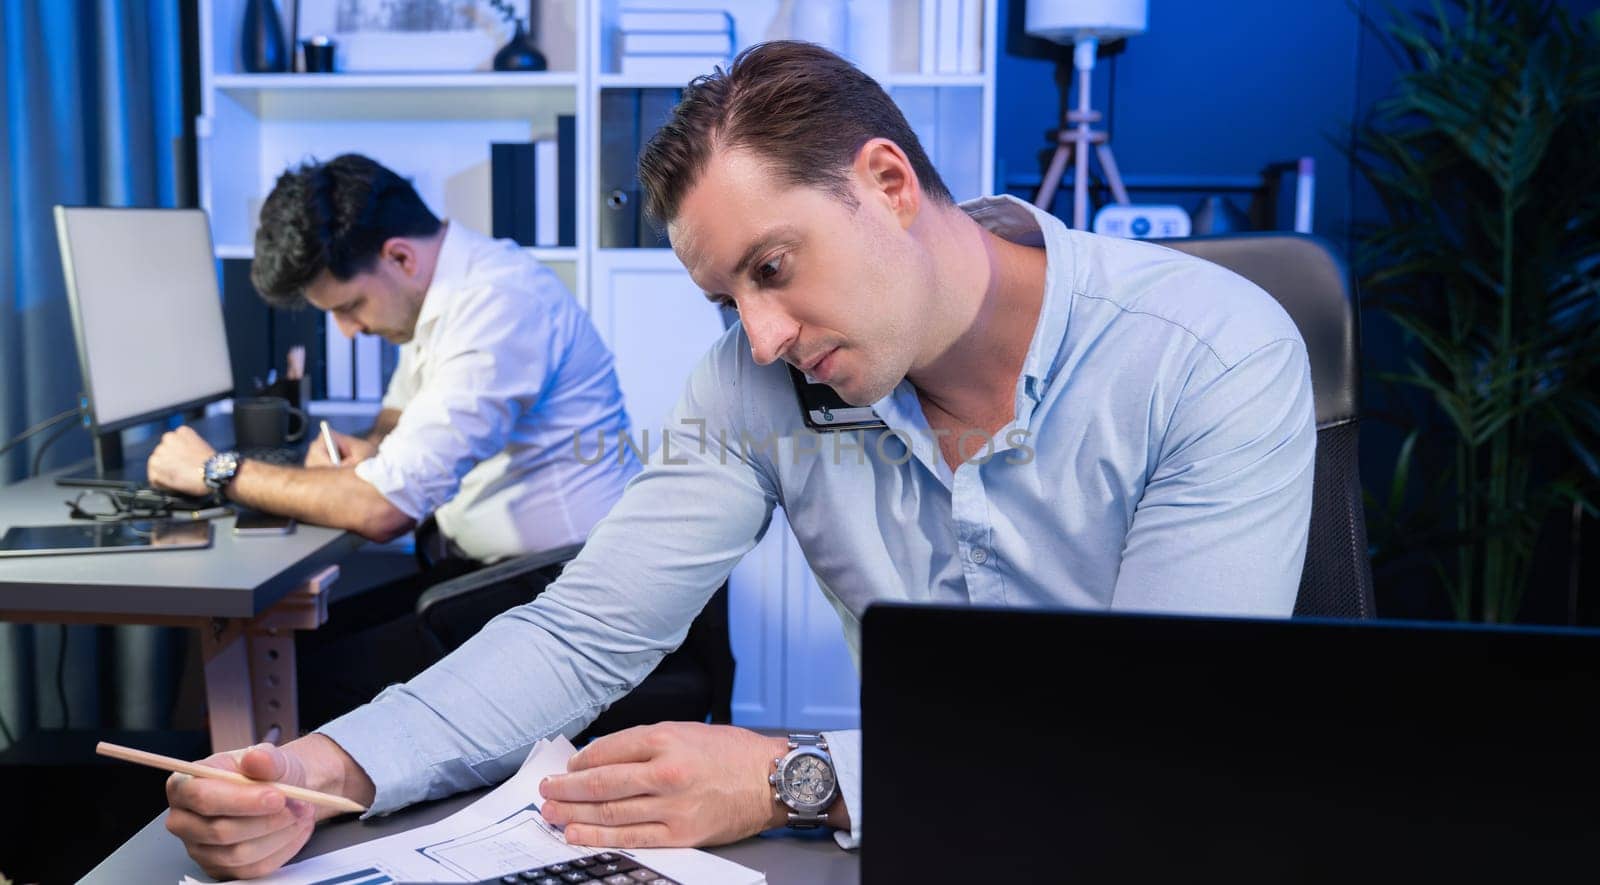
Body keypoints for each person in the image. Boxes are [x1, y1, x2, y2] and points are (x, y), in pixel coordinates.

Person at [162, 43, 1316, 880]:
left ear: (888, 185)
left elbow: (1166, 735)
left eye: (774, 267)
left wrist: (789, 777)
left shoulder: (1207, 349)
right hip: (925, 842)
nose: (760, 338)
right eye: (727, 296)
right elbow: (581, 633)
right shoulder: (752, 379)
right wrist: (324, 768)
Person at [146, 154, 644, 723]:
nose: (349, 331)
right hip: (488, 577)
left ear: (400, 256)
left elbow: (384, 511)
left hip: (558, 599)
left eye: (351, 306)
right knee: (261, 647)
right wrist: (371, 449)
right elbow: (398, 413)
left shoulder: (500, 305)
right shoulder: (442, 289)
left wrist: (220, 472)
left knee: (275, 677)